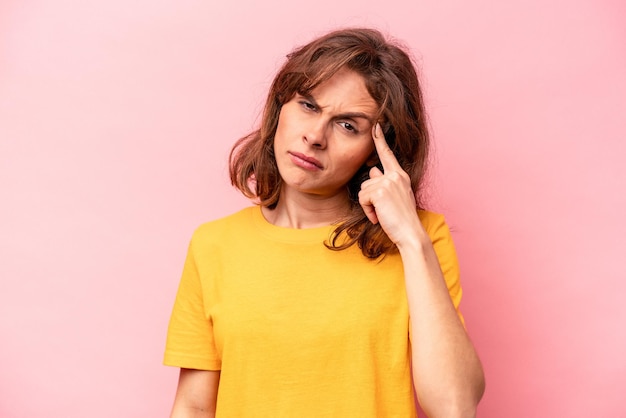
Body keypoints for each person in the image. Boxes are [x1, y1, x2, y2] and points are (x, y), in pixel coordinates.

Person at [164, 27, 485, 417]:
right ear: (280, 106)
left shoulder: (419, 239)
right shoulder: (214, 245)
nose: (314, 136)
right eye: (309, 106)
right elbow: (194, 408)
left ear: (376, 151)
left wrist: (410, 241)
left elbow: (454, 406)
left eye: (348, 125)